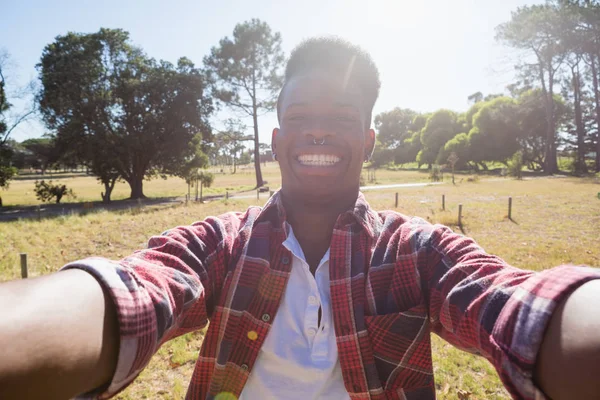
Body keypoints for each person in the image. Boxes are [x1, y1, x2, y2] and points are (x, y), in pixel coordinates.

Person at [1, 37, 600, 400]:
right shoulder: (220, 244)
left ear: (367, 141)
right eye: (303, 115)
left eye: (340, 116)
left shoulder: (418, 251)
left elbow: (508, 304)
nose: (319, 129)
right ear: (278, 137)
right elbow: (135, 292)